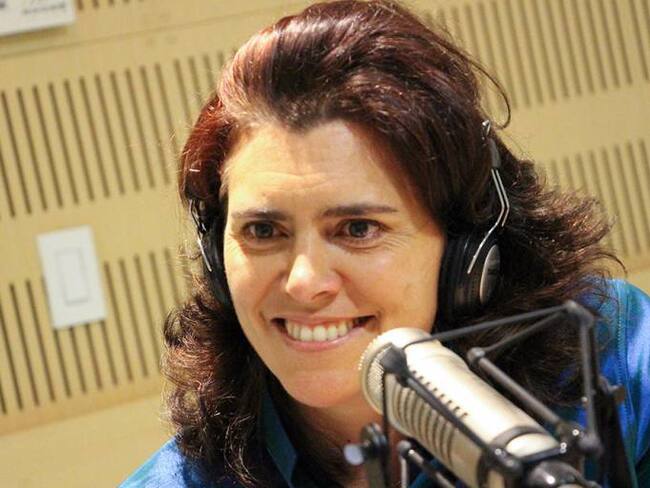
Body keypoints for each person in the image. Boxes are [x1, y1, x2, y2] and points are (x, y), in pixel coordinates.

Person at [120, 1, 650, 486]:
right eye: (263, 231)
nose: (305, 282)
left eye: (357, 229)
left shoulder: (613, 351)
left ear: (468, 248)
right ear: (216, 257)